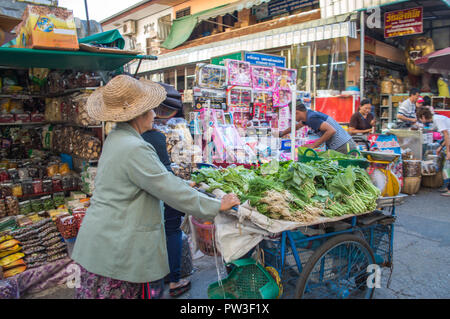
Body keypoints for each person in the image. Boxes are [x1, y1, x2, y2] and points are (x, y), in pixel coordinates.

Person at [71, 75, 240, 299]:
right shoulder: (134, 147)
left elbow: (157, 179)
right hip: (116, 250)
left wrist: (183, 184)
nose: (154, 115)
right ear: (138, 114)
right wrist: (217, 204)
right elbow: (170, 190)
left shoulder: (116, 138)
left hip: (101, 244)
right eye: (152, 110)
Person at [141, 127, 191, 298]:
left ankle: (154, 282)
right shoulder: (157, 137)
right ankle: (174, 281)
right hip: (166, 183)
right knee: (172, 231)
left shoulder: (137, 142)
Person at [280, 103, 356, 154]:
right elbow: (297, 126)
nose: (292, 117)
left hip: (343, 146)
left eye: (292, 114)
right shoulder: (308, 115)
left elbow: (331, 131)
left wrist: (314, 145)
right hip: (343, 144)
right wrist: (282, 133)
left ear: (296, 112)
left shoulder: (311, 118)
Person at [417, 107, 450, 197]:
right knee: (447, 167)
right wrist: (441, 147)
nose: (421, 121)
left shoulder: (437, 120)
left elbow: (447, 135)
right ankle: (448, 187)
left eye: (420, 118)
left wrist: (448, 151)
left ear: (423, 117)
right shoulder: (436, 119)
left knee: (448, 167)